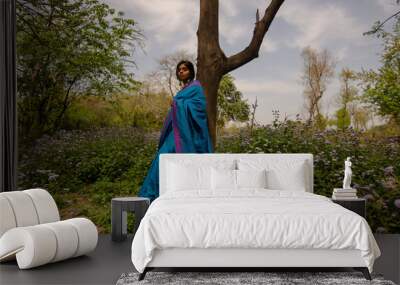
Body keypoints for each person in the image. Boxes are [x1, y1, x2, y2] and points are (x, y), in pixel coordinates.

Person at [138, 60, 213, 202]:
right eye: (179, 70)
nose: (181, 71)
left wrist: (178, 103)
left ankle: (169, 195)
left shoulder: (196, 87)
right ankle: (153, 196)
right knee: (162, 158)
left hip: (188, 133)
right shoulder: (184, 89)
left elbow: (200, 107)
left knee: (169, 158)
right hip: (177, 131)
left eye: (184, 69)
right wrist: (178, 104)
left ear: (191, 71)